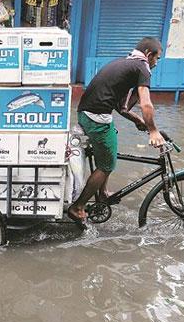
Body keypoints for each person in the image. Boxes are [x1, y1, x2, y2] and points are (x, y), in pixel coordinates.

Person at [68, 37, 166, 223]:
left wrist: (137, 121)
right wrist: (153, 130)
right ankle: (77, 207)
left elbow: (122, 107)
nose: (156, 62)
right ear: (148, 54)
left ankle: (103, 193)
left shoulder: (126, 63)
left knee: (111, 145)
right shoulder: (142, 67)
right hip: (96, 119)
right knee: (106, 165)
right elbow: (146, 103)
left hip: (87, 113)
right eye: (157, 58)